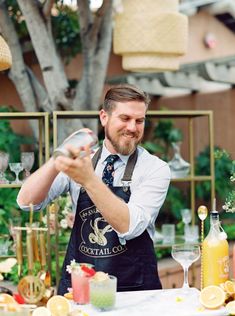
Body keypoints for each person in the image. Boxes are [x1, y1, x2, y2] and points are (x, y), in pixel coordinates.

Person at [17, 84, 171, 294]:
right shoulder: (81, 161)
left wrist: (89, 180)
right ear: (104, 117)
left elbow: (130, 226)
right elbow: (26, 202)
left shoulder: (155, 169)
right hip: (81, 288)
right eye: (125, 118)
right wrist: (59, 156)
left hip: (134, 292)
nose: (133, 128)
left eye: (139, 120)